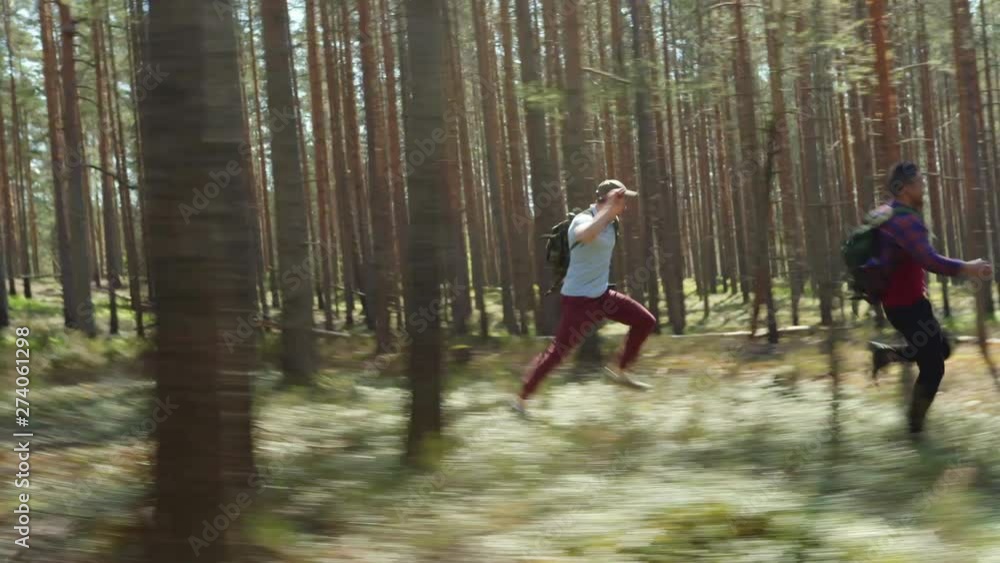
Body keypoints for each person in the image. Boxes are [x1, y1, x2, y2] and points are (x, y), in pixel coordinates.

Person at [511, 180, 657, 415]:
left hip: (602, 294)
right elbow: (586, 236)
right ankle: (521, 399)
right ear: (606, 199)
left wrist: (611, 212)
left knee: (645, 321)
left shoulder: (612, 223)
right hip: (578, 300)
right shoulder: (582, 219)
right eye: (621, 199)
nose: (625, 205)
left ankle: (619, 371)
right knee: (558, 353)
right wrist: (609, 208)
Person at [867, 161, 992, 435]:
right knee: (933, 368)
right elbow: (930, 261)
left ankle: (887, 355)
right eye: (920, 183)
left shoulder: (884, 214)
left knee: (941, 349)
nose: (923, 188)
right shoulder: (905, 221)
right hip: (908, 306)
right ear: (906, 187)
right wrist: (969, 267)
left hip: (899, 304)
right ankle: (915, 431)